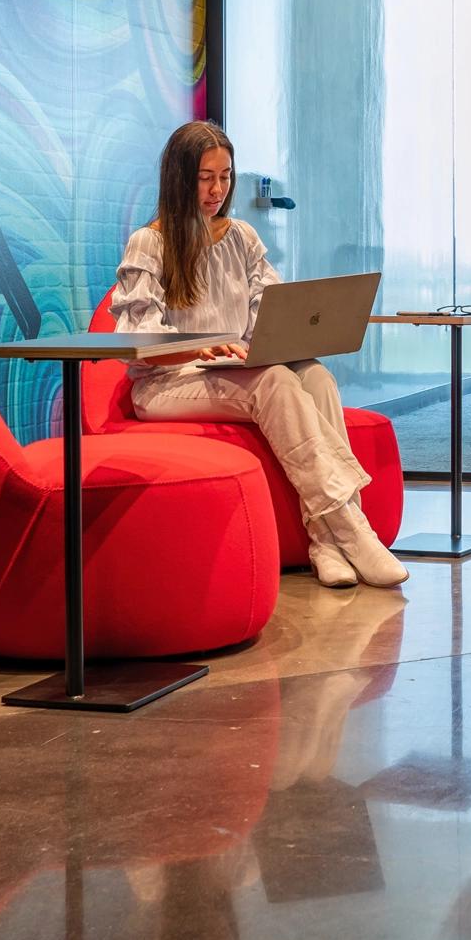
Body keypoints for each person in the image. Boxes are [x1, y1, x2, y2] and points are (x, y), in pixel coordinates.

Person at [113, 121, 408, 590]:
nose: (216, 189)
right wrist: (199, 345)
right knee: (273, 382)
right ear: (179, 178)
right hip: (169, 383)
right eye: (204, 177)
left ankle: (324, 543)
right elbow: (140, 341)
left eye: (225, 176)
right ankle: (351, 528)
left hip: (231, 372)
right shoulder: (150, 243)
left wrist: (277, 340)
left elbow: (269, 317)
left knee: (314, 377)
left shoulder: (242, 237)